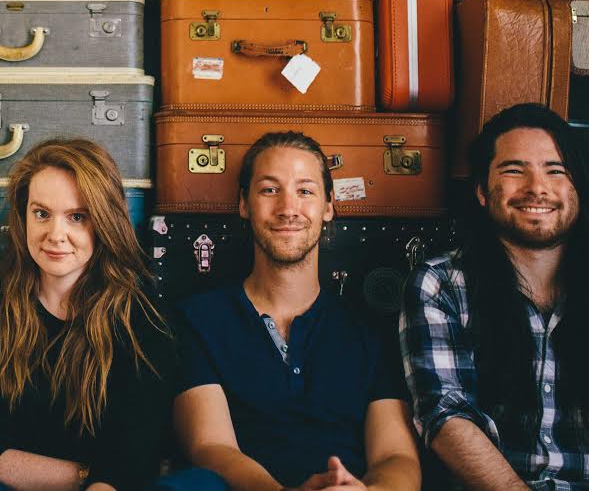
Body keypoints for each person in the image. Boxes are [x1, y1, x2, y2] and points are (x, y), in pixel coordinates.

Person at [0, 138, 218, 491]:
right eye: (41, 214)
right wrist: (84, 476)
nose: (55, 235)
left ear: (103, 222)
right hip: (3, 487)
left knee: (202, 484)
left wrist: (100, 484)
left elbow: (135, 451)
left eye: (77, 217)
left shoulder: (144, 317)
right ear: (23, 217)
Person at [400, 103, 589, 490]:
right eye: (514, 170)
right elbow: (445, 416)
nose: (537, 187)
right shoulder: (439, 286)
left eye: (555, 171)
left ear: (578, 189)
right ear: (481, 191)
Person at [173, 131, 421, 491]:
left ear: (328, 207)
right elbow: (211, 447)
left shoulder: (371, 329)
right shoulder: (198, 319)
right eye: (269, 190)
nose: (288, 208)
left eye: (305, 191)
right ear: (244, 204)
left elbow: (396, 458)